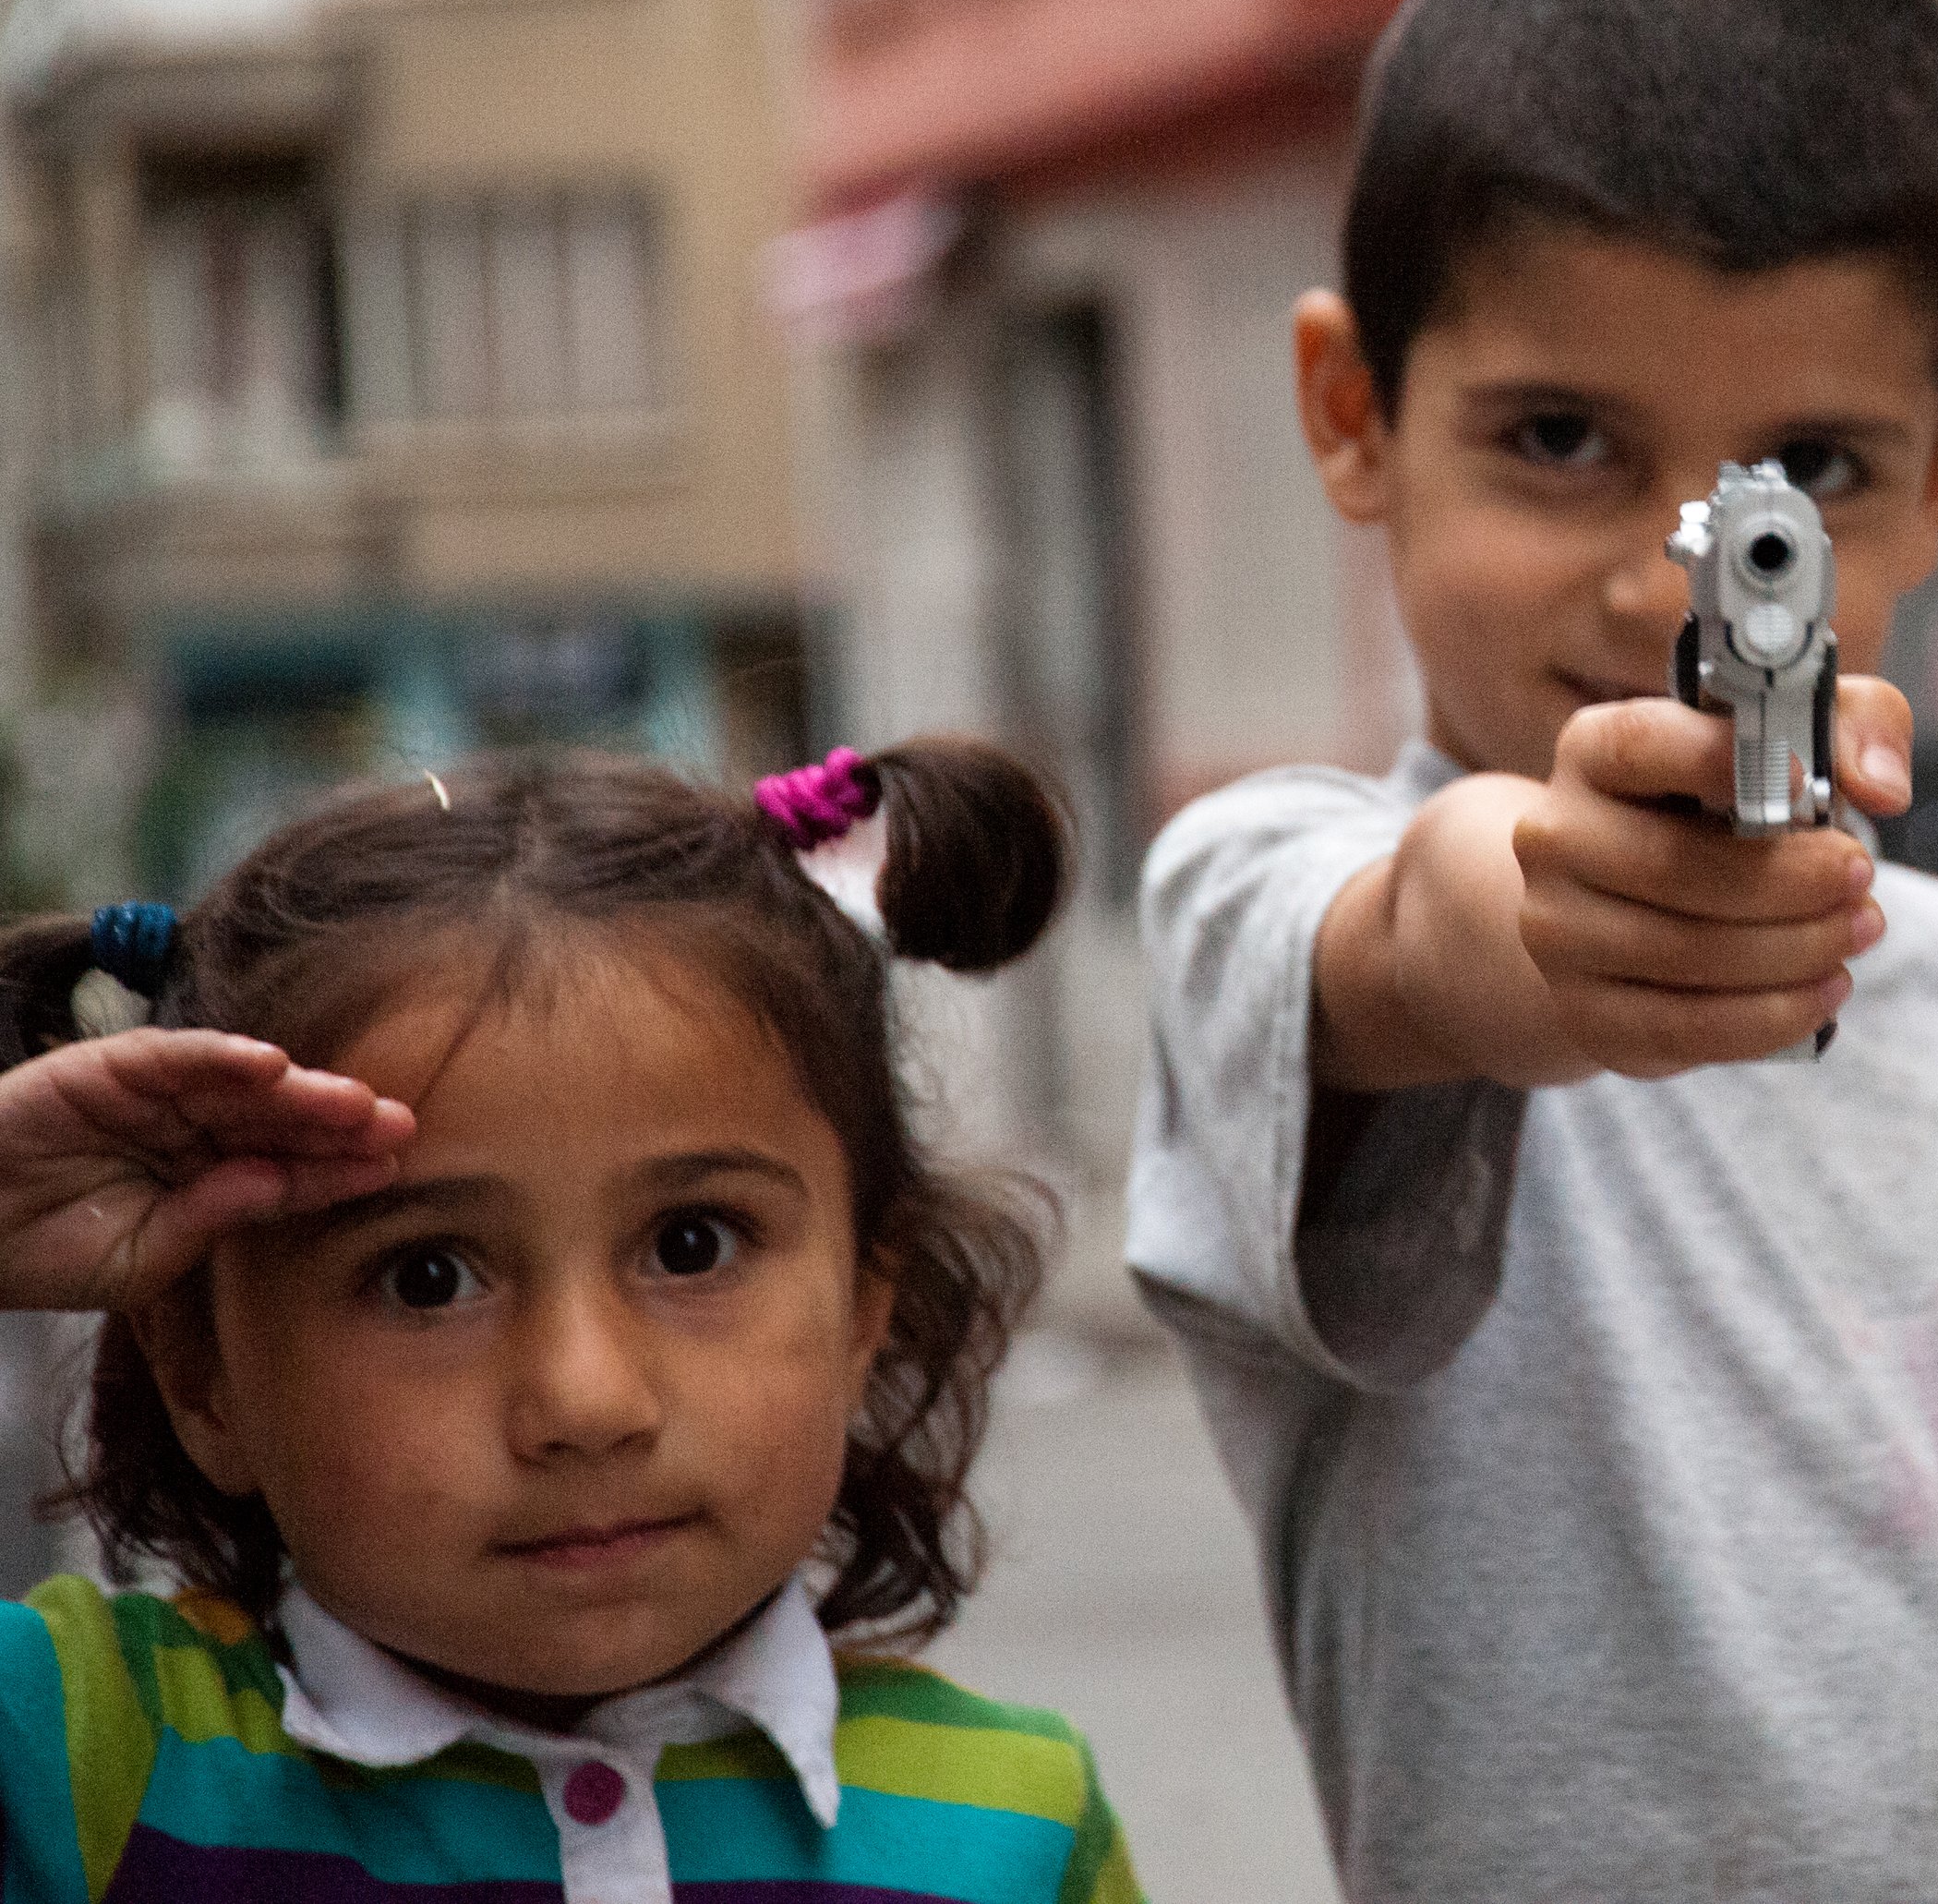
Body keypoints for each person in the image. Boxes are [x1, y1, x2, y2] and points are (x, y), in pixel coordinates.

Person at [1127, 0, 1938, 1903]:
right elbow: (1426, 933)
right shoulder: (1273, 897)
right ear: (1351, 415)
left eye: (1805, 477)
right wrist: (1551, 917)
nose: (1672, 575)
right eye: (1560, 436)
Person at [0, 741, 1141, 1904]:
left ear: (863, 1310)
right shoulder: (77, 1754)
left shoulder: (1016, 1825)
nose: (586, 1401)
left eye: (691, 1245)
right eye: (428, 1277)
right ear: (202, 1372)